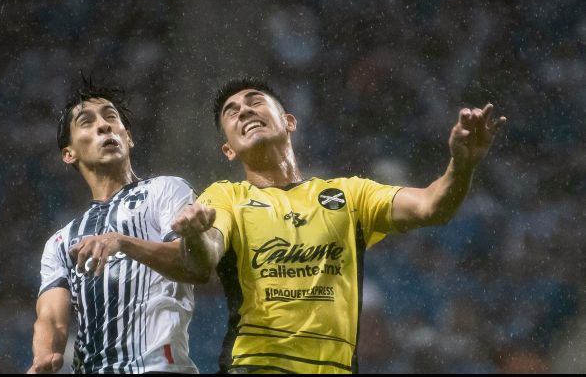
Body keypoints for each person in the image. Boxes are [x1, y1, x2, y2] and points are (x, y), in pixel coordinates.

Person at [170, 77, 507, 374]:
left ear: (289, 121)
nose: (244, 110)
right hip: (256, 366)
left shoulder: (350, 194)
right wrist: (196, 235)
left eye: (255, 101)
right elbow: (207, 254)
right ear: (228, 150)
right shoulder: (226, 196)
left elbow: (432, 206)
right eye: (232, 111)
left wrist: (461, 166)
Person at [28, 76, 203, 374]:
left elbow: (194, 265)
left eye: (111, 117)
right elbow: (52, 318)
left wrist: (121, 241)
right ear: (69, 154)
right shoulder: (60, 242)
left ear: (128, 137)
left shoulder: (166, 190)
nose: (104, 125)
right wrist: (44, 356)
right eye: (87, 122)